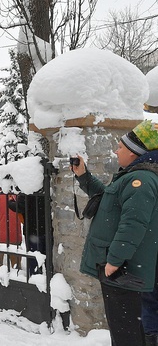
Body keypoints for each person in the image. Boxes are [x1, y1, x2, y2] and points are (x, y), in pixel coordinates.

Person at [72, 120, 158, 346]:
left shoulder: (142, 179)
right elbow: (109, 199)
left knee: (125, 333)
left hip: (125, 271)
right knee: (126, 329)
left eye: (120, 147)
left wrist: (114, 261)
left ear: (133, 152)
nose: (115, 151)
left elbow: (134, 224)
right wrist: (84, 176)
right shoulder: (133, 176)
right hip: (123, 270)